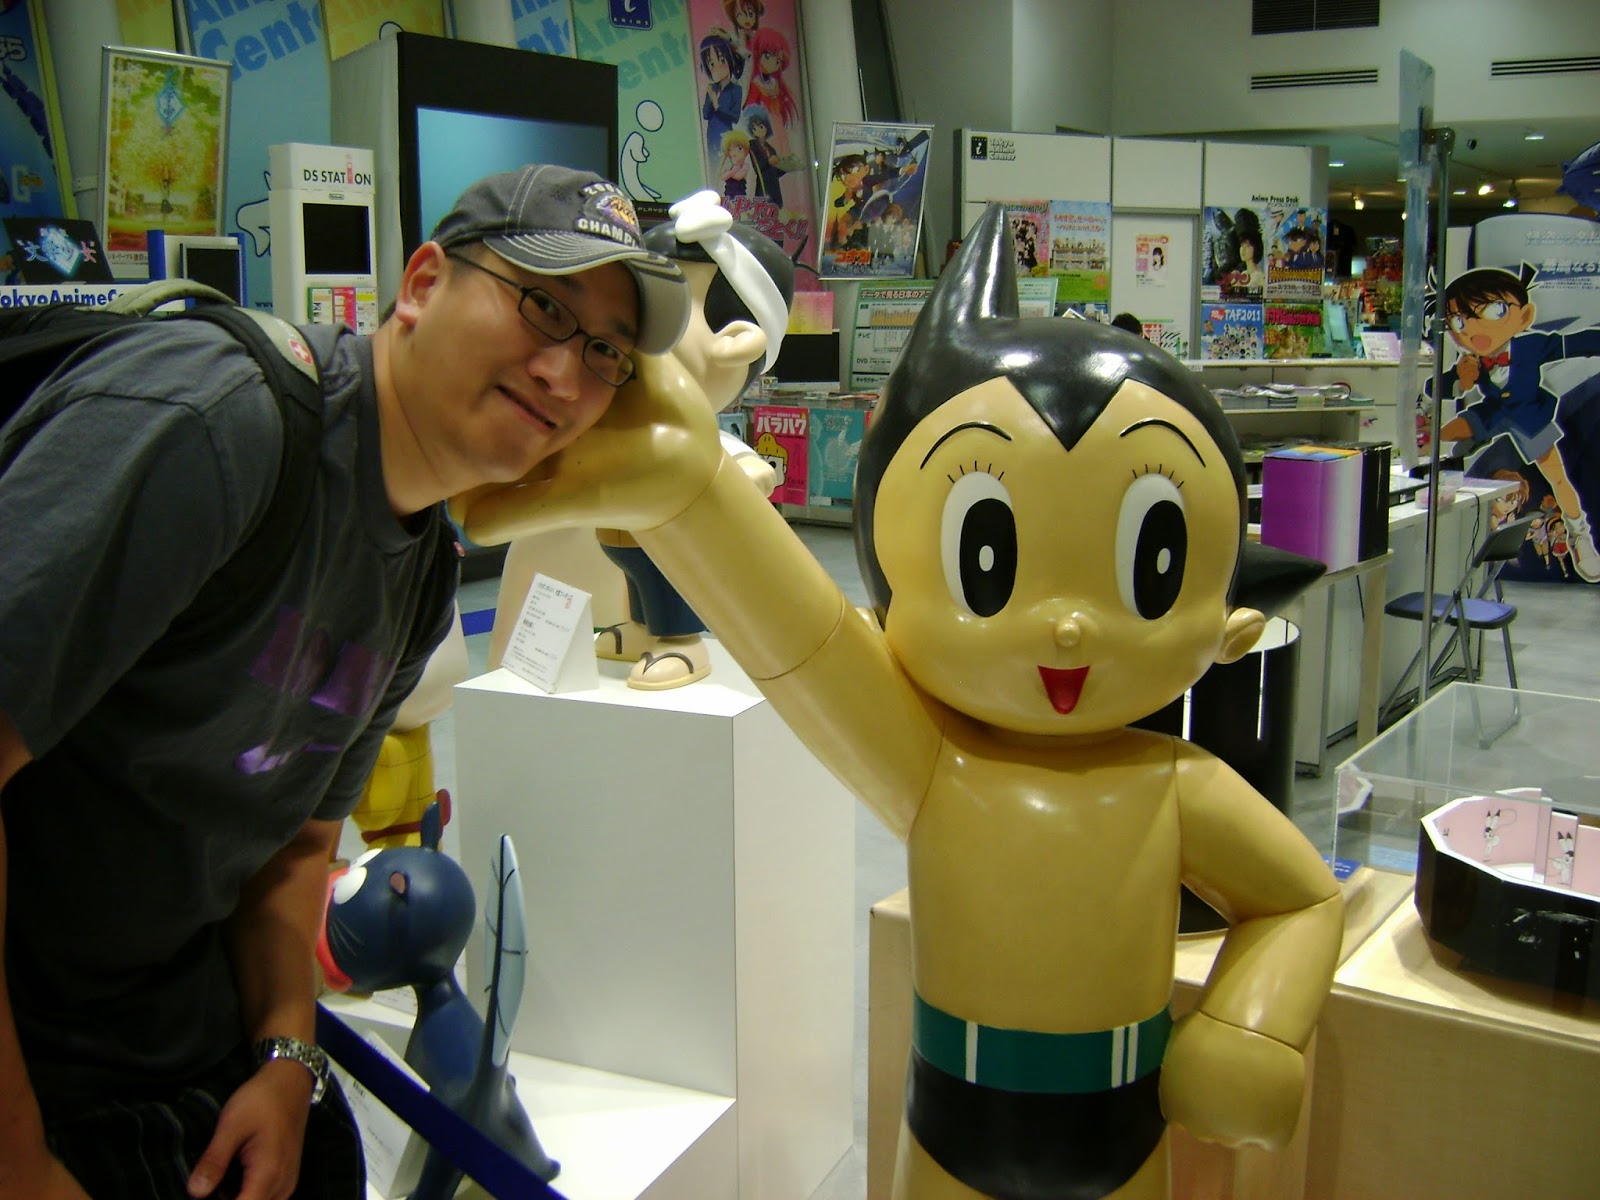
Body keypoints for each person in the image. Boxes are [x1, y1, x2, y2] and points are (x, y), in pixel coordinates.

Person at [453, 203, 1341, 1200]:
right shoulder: (935, 762)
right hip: (951, 1127)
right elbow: (801, 639)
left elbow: (1301, 900)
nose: (1066, 629)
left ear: (1230, 622)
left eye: (1153, 565)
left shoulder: (1170, 786)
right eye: (988, 560)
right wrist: (693, 494)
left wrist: (1252, 1024)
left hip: (1120, 1133)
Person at [0, 163, 688, 1200]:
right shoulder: (216, 424)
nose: (564, 375)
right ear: (421, 284)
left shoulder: (419, 574)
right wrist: (16, 1163)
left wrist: (287, 1054)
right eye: (544, 306)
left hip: (164, 1027)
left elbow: (294, 848)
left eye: (606, 353)